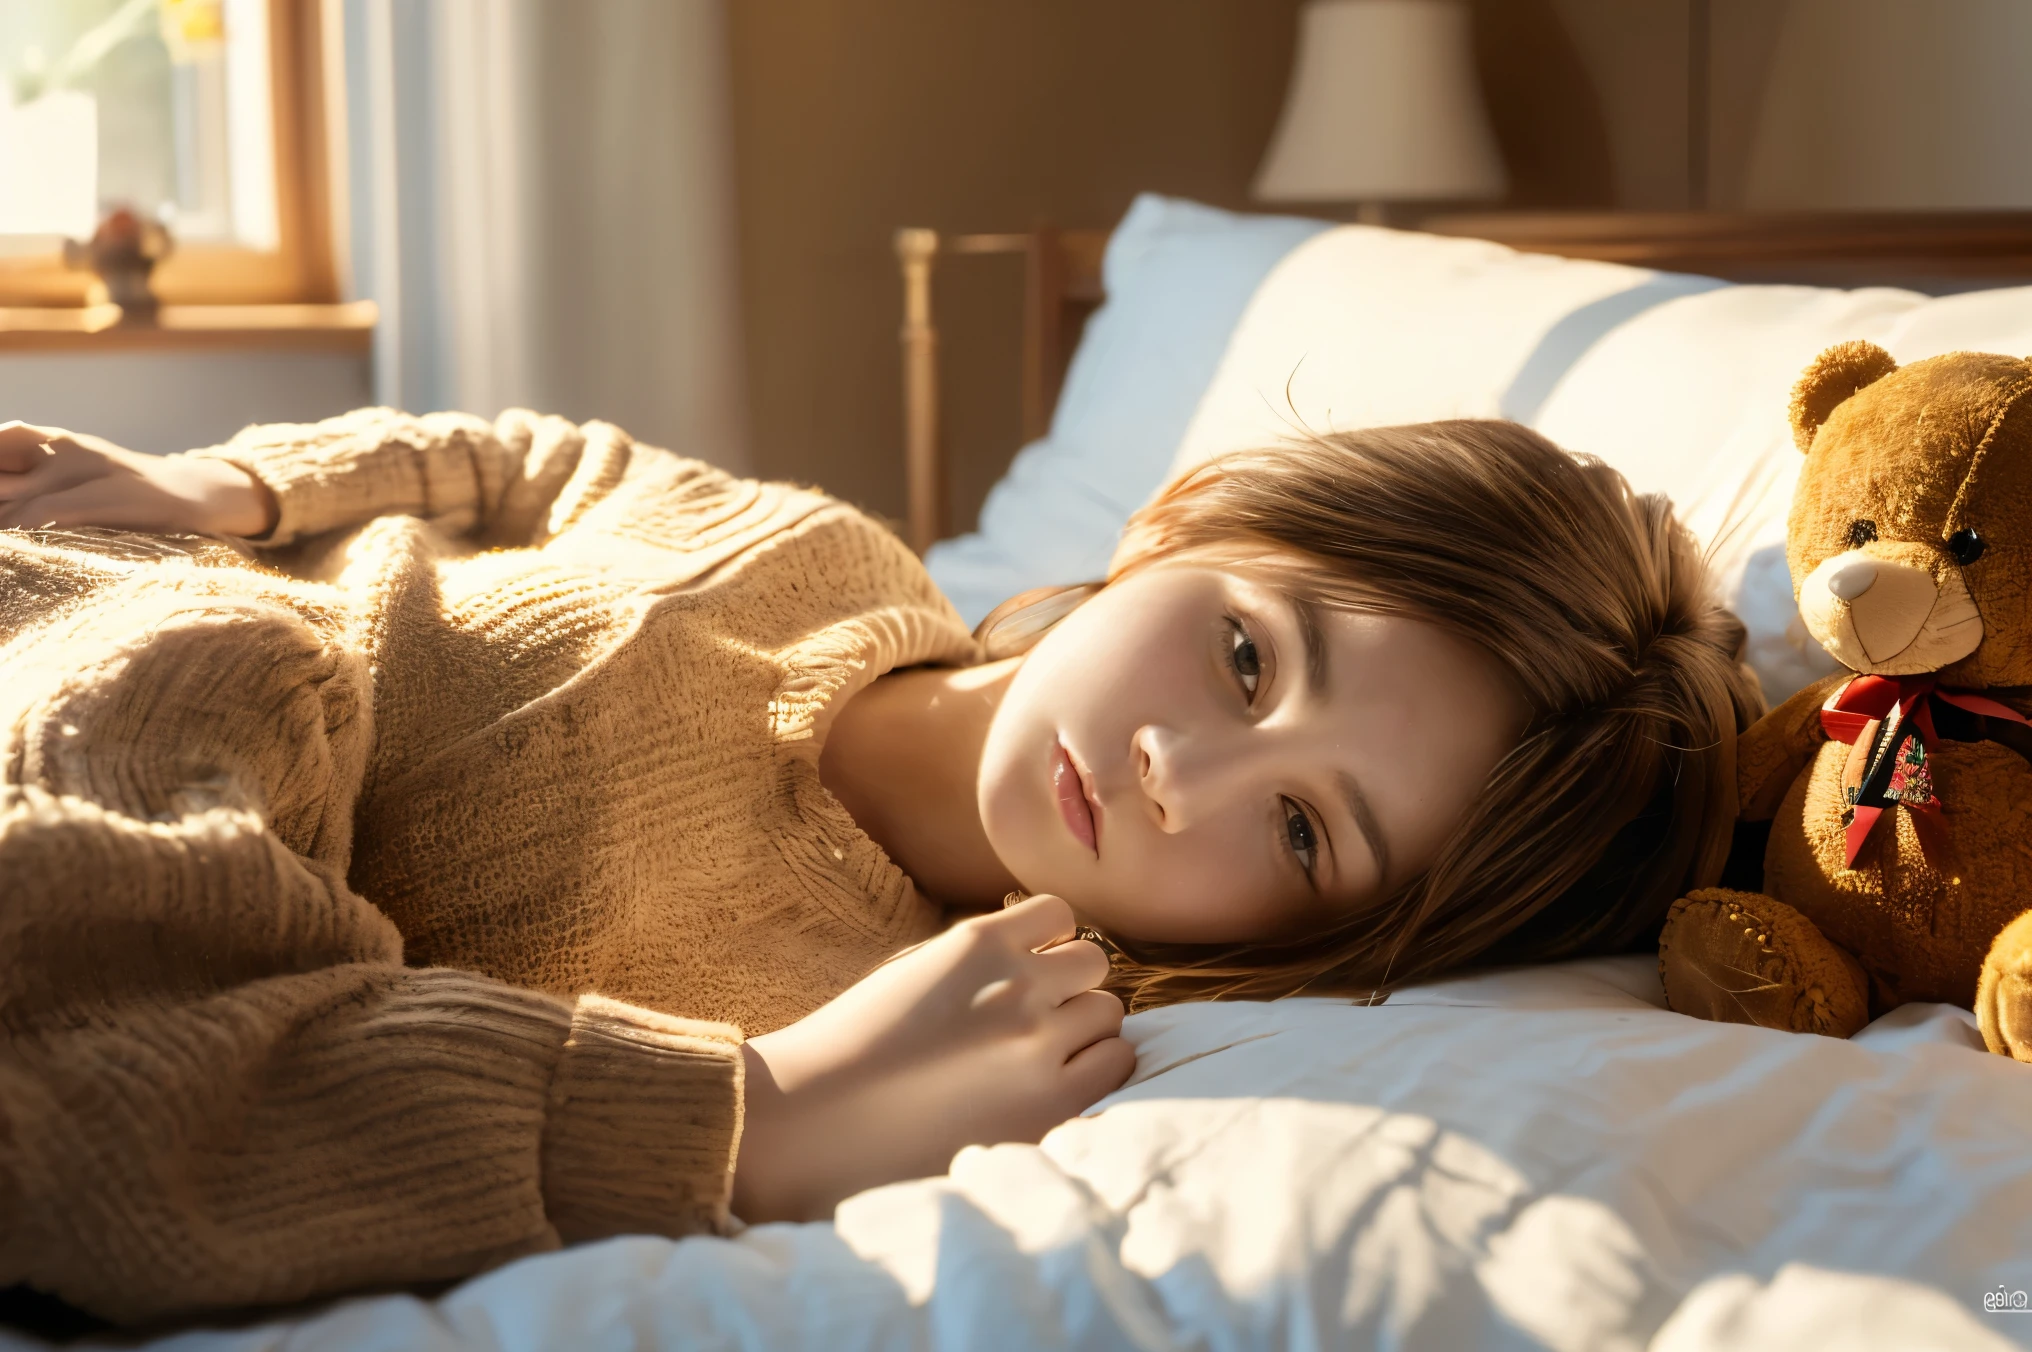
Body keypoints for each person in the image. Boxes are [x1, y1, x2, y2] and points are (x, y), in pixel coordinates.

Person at [0, 409, 1760, 1323]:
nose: (1177, 770)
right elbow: (539, 464)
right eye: (1244, 656)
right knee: (254, 656)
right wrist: (230, 488)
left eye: (1301, 831)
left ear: (1326, 942)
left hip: (135, 823)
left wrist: (755, 1111)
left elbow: (178, 1115)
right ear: (1192, 532)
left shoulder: (926, 1024)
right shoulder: (816, 557)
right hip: (99, 616)